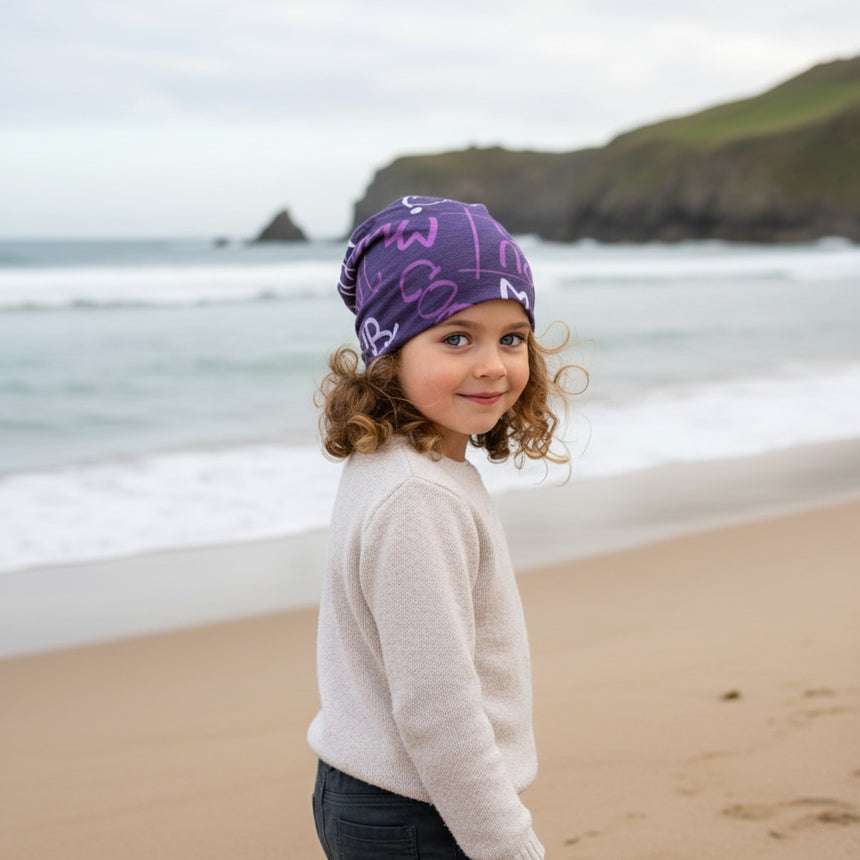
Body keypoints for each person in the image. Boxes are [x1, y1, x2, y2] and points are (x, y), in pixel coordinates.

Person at [308, 195, 577, 860]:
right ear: (389, 354)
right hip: (418, 811)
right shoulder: (418, 497)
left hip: (380, 790)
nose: (492, 364)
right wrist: (510, 848)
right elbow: (439, 713)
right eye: (456, 337)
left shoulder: (398, 461)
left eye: (511, 337)